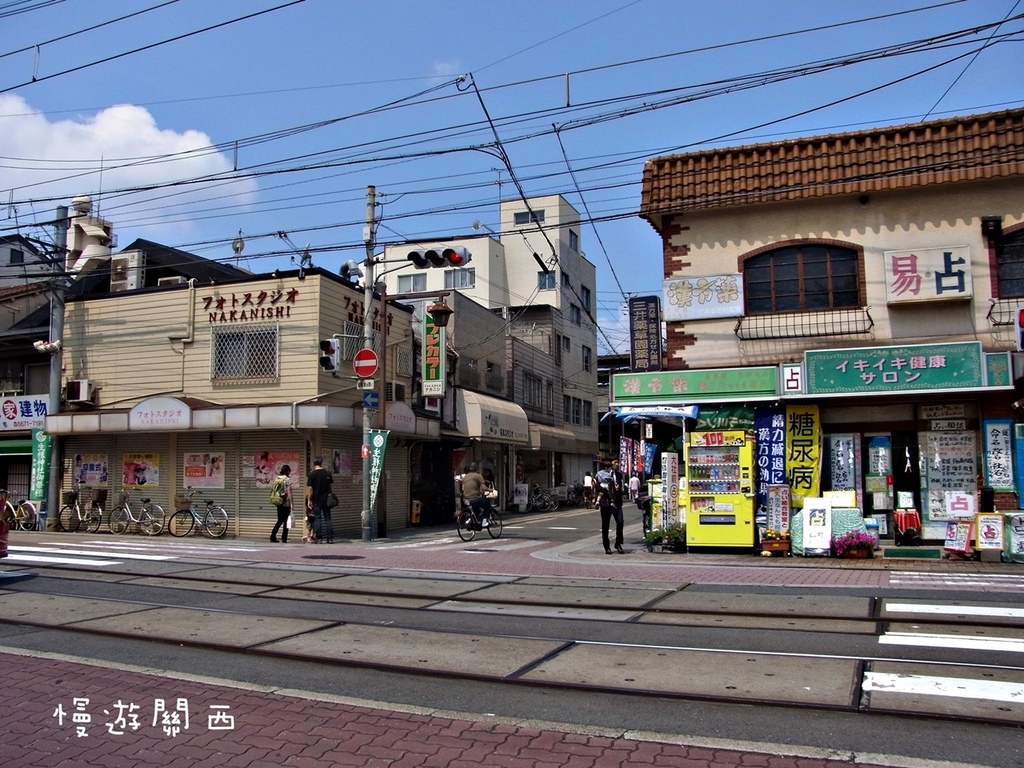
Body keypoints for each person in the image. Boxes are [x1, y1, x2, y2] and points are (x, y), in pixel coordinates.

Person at [595, 457, 625, 554]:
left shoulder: (619, 475)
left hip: (617, 502)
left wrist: (618, 489)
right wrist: (607, 487)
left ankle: (618, 543)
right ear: (609, 464)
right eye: (615, 462)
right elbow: (597, 487)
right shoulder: (600, 475)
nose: (617, 464)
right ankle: (606, 546)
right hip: (606, 503)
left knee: (620, 522)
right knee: (605, 525)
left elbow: (621, 489)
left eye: (618, 462)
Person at [305, 456, 334, 544]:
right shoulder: (327, 473)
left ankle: (319, 538)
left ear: (314, 464)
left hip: (316, 499)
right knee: (328, 518)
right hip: (326, 499)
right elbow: (330, 487)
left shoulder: (312, 474)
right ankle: (330, 538)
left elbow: (310, 488)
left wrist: (309, 500)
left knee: (317, 518)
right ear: (321, 463)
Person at [460, 462, 492, 528]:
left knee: (476, 510)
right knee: (487, 505)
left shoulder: (466, 477)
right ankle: (484, 521)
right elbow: (484, 488)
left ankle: (470, 520)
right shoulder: (478, 476)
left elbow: (463, 488)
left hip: (466, 500)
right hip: (475, 498)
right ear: (476, 469)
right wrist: (490, 490)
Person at [270, 465, 293, 543]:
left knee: (280, 520)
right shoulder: (287, 479)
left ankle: (273, 536)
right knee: (286, 521)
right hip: (285, 503)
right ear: (287, 471)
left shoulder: (277, 478)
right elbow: (289, 492)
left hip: (279, 502)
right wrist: (291, 503)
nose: (290, 472)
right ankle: (284, 538)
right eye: (289, 471)